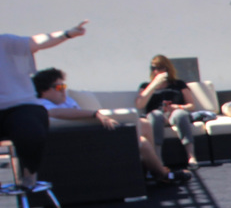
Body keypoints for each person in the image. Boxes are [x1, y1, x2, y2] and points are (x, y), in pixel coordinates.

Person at [34, 67, 183, 185]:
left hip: (90, 133)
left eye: (64, 86)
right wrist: (95, 114)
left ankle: (156, 169)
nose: (63, 90)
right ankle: (162, 174)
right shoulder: (42, 105)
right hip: (81, 141)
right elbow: (56, 113)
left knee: (143, 124)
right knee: (142, 142)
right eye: (59, 87)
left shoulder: (65, 101)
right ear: (44, 91)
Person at [0, 22, 87, 189]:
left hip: (20, 106)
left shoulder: (5, 42)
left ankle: (29, 172)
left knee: (29, 130)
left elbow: (37, 41)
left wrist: (67, 34)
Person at [136, 54, 199, 169]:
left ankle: (191, 157)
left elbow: (191, 105)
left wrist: (178, 107)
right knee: (156, 116)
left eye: (160, 68)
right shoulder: (146, 86)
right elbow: (140, 104)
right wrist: (154, 85)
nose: (156, 71)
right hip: (157, 115)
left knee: (180, 115)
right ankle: (158, 160)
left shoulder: (178, 84)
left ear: (167, 68)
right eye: (153, 68)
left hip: (174, 114)